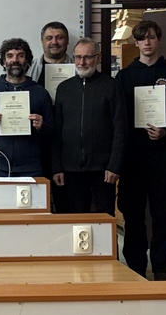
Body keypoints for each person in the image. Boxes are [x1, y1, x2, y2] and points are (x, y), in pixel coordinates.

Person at [115, 19, 166, 280]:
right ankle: (135, 267)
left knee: (162, 214)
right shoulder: (124, 76)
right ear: (136, 43)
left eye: (152, 37)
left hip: (163, 154)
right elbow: (119, 117)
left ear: (159, 40)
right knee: (133, 214)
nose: (147, 43)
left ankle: (162, 267)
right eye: (142, 38)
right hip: (132, 156)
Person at [51, 38, 126, 215]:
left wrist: (114, 165)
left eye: (87, 57)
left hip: (103, 170)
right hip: (71, 170)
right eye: (78, 57)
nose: (82, 62)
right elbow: (56, 132)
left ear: (98, 58)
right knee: (76, 220)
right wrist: (56, 167)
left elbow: (121, 129)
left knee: (105, 219)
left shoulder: (111, 86)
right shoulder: (64, 88)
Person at [0, 38, 54, 177]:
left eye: (20, 55)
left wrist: (41, 126)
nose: (15, 60)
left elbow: (52, 130)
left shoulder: (40, 93)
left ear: (28, 61)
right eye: (10, 56)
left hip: (31, 167)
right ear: (3, 62)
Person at [28, 22, 73, 211]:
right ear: (42, 42)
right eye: (49, 38)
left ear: (67, 41)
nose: (54, 42)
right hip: (38, 145)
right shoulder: (29, 71)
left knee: (66, 202)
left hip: (68, 144)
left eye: (59, 37)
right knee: (37, 203)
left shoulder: (78, 69)